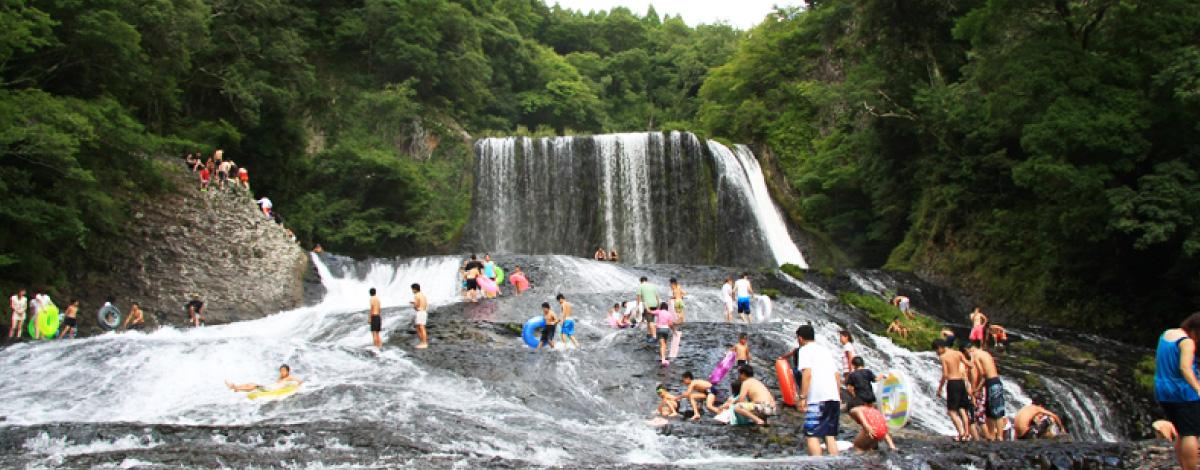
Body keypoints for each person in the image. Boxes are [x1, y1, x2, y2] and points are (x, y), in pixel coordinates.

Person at [781, 324, 842, 456]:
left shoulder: (804, 350)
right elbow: (837, 375)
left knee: (812, 434)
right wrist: (838, 395)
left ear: (800, 338)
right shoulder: (825, 350)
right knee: (829, 436)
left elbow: (807, 373)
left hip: (818, 399)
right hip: (833, 398)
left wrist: (802, 397)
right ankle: (835, 464)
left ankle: (816, 465)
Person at [1156, 312, 1200, 469]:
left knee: (1181, 431)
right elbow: (1185, 367)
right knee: (1190, 433)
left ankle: (1183, 466)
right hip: (1183, 393)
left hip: (1163, 392)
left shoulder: (1167, 334)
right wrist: (1198, 389)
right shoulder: (1187, 342)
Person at [964, 341, 1007, 440]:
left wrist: (975, 387)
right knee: (990, 410)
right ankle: (992, 435)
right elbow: (989, 371)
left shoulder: (974, 354)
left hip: (992, 382)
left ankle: (999, 436)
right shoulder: (985, 353)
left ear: (967, 349)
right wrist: (979, 388)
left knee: (997, 410)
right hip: (993, 381)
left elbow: (981, 372)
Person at [935, 339, 976, 441]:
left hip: (952, 383)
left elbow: (945, 374)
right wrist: (972, 357)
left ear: (940, 347)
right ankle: (967, 434)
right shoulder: (958, 353)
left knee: (952, 411)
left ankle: (961, 433)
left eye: (936, 350)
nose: (937, 353)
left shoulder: (943, 357)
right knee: (962, 408)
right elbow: (970, 365)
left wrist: (940, 389)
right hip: (961, 382)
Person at [227, 364, 303, 393]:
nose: (282, 373)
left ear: (288, 371)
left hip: (272, 390)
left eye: (283, 371)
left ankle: (237, 388)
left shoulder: (289, 377)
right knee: (251, 383)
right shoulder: (281, 377)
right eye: (281, 371)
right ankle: (235, 386)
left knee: (254, 386)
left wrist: (296, 386)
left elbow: (300, 381)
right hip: (270, 388)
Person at [652, 302, 677, 366]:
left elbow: (650, 311)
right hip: (666, 329)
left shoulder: (659, 312)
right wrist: (674, 330)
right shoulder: (669, 314)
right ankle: (664, 358)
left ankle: (663, 359)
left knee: (662, 344)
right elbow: (671, 324)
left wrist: (646, 305)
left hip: (659, 329)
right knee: (665, 343)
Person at [637, 277, 660, 342]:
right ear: (647, 280)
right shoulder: (652, 286)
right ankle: (649, 333)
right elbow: (657, 296)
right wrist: (658, 305)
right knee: (650, 320)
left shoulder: (640, 286)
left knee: (650, 322)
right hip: (655, 304)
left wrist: (637, 306)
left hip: (647, 305)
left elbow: (639, 297)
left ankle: (654, 336)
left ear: (641, 281)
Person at [410, 283, 428, 349]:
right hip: (424, 311)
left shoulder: (416, 295)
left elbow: (416, 305)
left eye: (412, 289)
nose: (412, 291)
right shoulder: (423, 295)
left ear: (415, 289)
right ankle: (422, 342)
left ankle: (424, 343)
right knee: (419, 327)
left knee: (421, 328)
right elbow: (425, 303)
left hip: (420, 312)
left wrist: (414, 305)